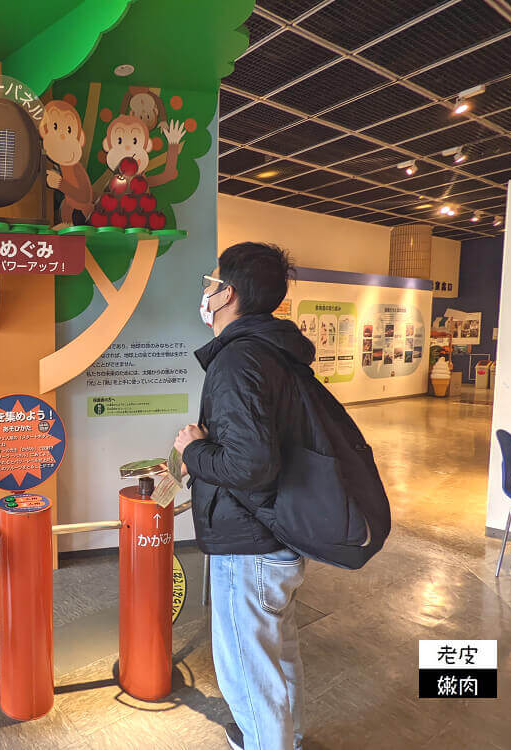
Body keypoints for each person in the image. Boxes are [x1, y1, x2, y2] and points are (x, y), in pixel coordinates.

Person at [173, 242, 314, 750]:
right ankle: (287, 737)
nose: (205, 293)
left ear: (227, 292)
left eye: (211, 283)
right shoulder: (279, 350)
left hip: (248, 541)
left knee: (248, 672)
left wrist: (194, 451)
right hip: (280, 532)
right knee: (278, 652)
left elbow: (249, 465)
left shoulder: (237, 360)